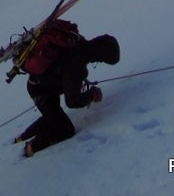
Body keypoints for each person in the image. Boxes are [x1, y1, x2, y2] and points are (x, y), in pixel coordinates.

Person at [12, 23, 119, 157]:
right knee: (65, 130)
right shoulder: (76, 65)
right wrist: (91, 95)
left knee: (54, 117)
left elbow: (64, 66)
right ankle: (29, 148)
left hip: (39, 84)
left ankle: (21, 137)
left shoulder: (78, 40)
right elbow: (72, 101)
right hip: (41, 91)